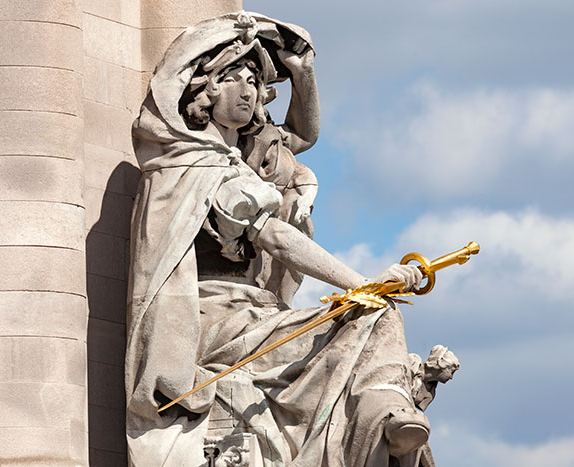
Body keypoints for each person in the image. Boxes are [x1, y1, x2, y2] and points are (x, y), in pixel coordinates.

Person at [126, 12, 434, 467]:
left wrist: (303, 73)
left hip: (252, 318)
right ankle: (380, 416)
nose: (249, 90)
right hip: (214, 322)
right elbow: (276, 238)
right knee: (373, 313)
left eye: (254, 79)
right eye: (233, 78)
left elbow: (300, 138)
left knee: (372, 318)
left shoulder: (238, 162)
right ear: (203, 91)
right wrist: (363, 283)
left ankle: (386, 411)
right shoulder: (195, 168)